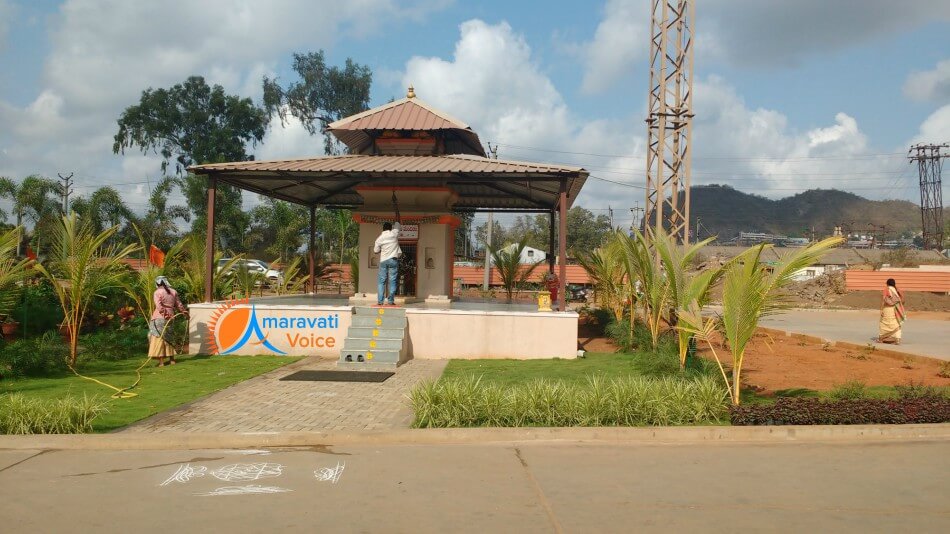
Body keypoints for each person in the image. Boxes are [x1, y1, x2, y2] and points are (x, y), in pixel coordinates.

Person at [149, 276, 187, 366]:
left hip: (159, 318)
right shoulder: (173, 291)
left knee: (159, 338)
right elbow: (179, 304)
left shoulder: (157, 292)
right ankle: (172, 360)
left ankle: (161, 362)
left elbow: (159, 306)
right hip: (171, 317)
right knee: (169, 338)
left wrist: (165, 314)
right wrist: (184, 312)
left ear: (157, 283)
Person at [374, 221, 402, 306]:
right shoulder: (394, 234)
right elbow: (397, 224)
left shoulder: (379, 238)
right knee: (392, 281)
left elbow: (375, 251)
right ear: (391, 228)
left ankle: (380, 301)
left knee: (381, 281)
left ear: (383, 229)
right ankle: (390, 301)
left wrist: (381, 249)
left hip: (383, 261)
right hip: (393, 260)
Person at [878, 278, 905, 345]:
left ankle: (881, 338)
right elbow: (903, 300)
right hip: (896, 309)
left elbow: (884, 300)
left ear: (887, 283)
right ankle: (897, 339)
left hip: (887, 309)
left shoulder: (886, 289)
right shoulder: (897, 290)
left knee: (884, 323)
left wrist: (881, 310)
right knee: (896, 322)